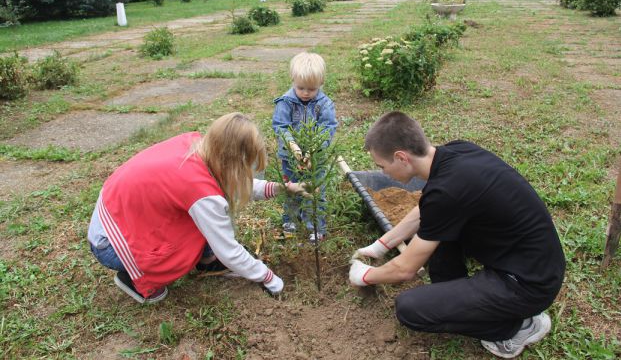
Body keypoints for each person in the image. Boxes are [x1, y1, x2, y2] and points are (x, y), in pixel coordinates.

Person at [349, 112, 565, 359]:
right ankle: (462, 300)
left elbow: (404, 270)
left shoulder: (447, 191)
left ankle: (518, 327)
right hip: (530, 260)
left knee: (409, 308)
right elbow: (427, 211)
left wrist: (365, 275)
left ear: (401, 157)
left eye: (382, 166)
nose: (384, 173)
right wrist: (381, 245)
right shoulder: (456, 151)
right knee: (435, 235)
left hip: (528, 283)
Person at [88, 112, 308, 303]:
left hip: (117, 212)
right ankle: (135, 279)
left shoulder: (198, 145)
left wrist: (282, 188)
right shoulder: (201, 193)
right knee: (204, 227)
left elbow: (233, 183)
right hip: (109, 244)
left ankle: (206, 260)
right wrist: (269, 278)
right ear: (231, 163)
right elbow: (229, 251)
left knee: (201, 221)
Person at [272, 52, 338, 242]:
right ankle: (290, 219)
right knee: (291, 187)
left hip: (316, 158)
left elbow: (327, 129)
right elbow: (281, 127)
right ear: (292, 79)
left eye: (312, 89)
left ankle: (315, 224)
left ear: (321, 82)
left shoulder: (325, 104)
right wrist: (295, 149)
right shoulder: (285, 102)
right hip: (290, 157)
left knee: (315, 189)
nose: (306, 93)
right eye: (301, 88)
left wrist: (311, 152)